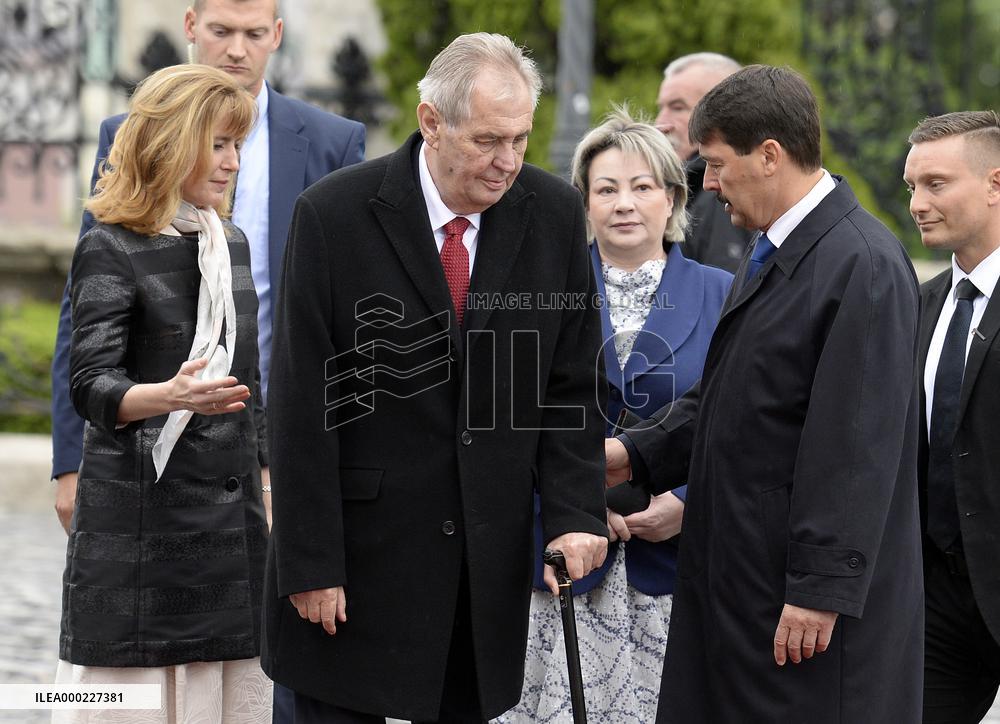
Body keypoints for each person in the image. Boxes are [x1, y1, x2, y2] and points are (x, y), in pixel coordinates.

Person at [260, 33, 609, 723]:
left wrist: (574, 513)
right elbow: (301, 403)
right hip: (354, 567)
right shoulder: (332, 216)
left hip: (480, 573)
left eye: (521, 138)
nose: (508, 161)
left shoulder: (553, 215)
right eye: (487, 140)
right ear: (430, 122)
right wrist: (310, 562)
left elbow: (570, 384)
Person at [605, 65, 924, 722]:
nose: (709, 183)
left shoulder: (859, 264)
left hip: (799, 623)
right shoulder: (777, 251)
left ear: (770, 154)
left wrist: (818, 590)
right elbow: (729, 399)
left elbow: (856, 445)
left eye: (718, 164)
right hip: (742, 596)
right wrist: (632, 454)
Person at [51, 0, 366, 532]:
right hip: (147, 441)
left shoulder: (334, 142)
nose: (237, 49)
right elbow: (86, 309)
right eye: (221, 30)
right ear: (192, 26)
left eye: (253, 33)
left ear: (278, 34)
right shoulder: (131, 131)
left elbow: (346, 310)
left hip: (280, 435)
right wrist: (68, 461)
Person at [500, 109, 732, 723]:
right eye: (606, 189)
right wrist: (576, 506)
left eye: (643, 186)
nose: (624, 203)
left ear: (674, 197)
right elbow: (515, 422)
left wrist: (685, 500)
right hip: (567, 567)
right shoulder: (541, 293)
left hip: (679, 571)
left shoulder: (724, 293)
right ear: (583, 202)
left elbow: (739, 420)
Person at [54, 64, 270, 723]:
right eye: (219, 144)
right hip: (141, 534)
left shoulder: (226, 242)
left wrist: (268, 491)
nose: (233, 162)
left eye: (239, 145)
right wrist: (168, 396)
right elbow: (91, 386)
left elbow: (249, 388)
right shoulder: (110, 245)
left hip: (228, 535)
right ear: (173, 142)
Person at [904, 110, 1000, 724]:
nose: (917, 203)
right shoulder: (921, 301)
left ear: (996, 183)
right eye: (911, 186)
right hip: (932, 600)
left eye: (936, 184)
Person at [655, 52, 753, 272]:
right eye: (661, 108)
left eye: (677, 107)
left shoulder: (724, 193)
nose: (661, 123)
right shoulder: (682, 186)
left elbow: (723, 297)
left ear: (724, 114)